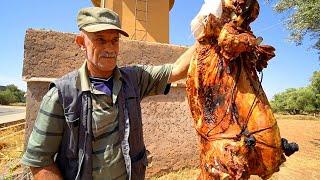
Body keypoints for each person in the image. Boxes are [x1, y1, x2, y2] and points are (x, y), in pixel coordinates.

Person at [21, 6, 196, 180]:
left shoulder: (133, 80)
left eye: (114, 40)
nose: (110, 48)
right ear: (82, 43)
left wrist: (205, 27)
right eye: (100, 40)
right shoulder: (61, 94)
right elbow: (39, 160)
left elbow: (177, 70)